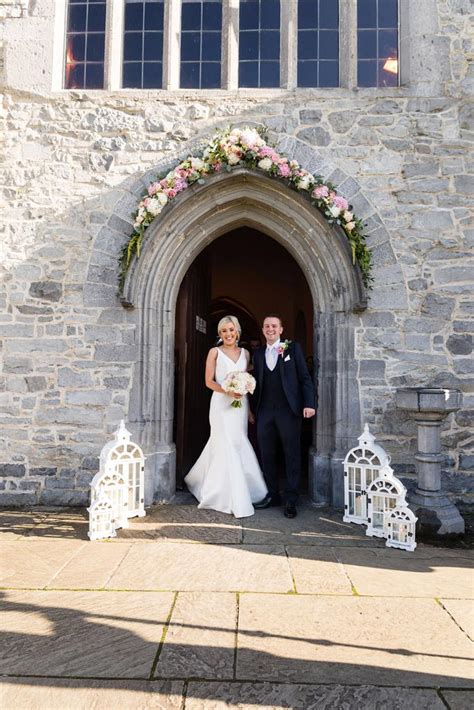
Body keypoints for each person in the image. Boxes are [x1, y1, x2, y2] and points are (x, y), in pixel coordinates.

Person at [184, 315, 268, 518]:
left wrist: (247, 410)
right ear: (220, 334)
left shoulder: (246, 354)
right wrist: (227, 390)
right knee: (224, 444)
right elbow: (208, 381)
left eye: (231, 330)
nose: (228, 334)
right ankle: (221, 494)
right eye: (224, 331)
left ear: (237, 331)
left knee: (238, 442)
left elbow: (246, 381)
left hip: (239, 406)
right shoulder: (214, 352)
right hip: (221, 404)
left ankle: (246, 489)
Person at [252, 314, 316, 518]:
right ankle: (272, 494)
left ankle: (291, 498)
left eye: (274, 326)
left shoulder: (292, 348)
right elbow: (256, 383)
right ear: (263, 331)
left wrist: (309, 403)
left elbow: (305, 378)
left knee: (291, 453)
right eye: (266, 326)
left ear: (280, 330)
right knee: (267, 454)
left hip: (289, 410)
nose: (270, 329)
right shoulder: (258, 353)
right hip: (264, 411)